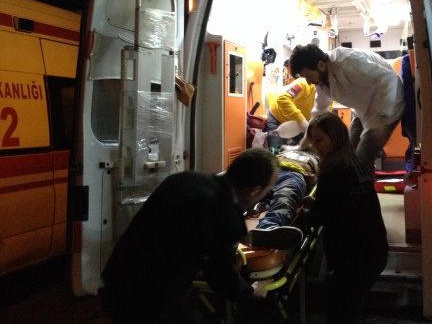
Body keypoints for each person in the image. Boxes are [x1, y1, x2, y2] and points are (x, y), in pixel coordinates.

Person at [101, 148, 294, 323]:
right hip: (145, 301)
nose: (267, 193)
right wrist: (252, 291)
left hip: (115, 278)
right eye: (267, 190)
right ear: (254, 190)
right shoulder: (226, 217)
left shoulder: (185, 179)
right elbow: (221, 278)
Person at [301, 112, 388, 324]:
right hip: (374, 250)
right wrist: (319, 203)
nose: (315, 146)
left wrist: (303, 214)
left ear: (336, 138)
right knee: (352, 309)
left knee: (340, 314)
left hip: (354, 259)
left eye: (319, 140)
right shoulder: (355, 163)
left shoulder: (334, 172)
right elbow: (344, 202)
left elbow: (318, 217)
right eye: (313, 140)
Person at [288, 43, 404, 170]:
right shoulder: (321, 80)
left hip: (388, 101)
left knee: (363, 157)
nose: (309, 82)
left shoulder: (345, 61)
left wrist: (382, 118)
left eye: (309, 76)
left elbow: (388, 78)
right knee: (345, 155)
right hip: (364, 110)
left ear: (321, 65)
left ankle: (364, 182)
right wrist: (302, 145)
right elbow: (318, 113)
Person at [245, 150, 319, 249]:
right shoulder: (286, 152)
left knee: (284, 197)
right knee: (247, 193)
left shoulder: (314, 161)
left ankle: (268, 227)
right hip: (269, 172)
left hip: (293, 174)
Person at [265, 76, 316, 150]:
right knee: (276, 152)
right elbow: (283, 98)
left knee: (305, 152)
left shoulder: (328, 97)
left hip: (299, 127)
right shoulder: (304, 84)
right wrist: (301, 119)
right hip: (278, 119)